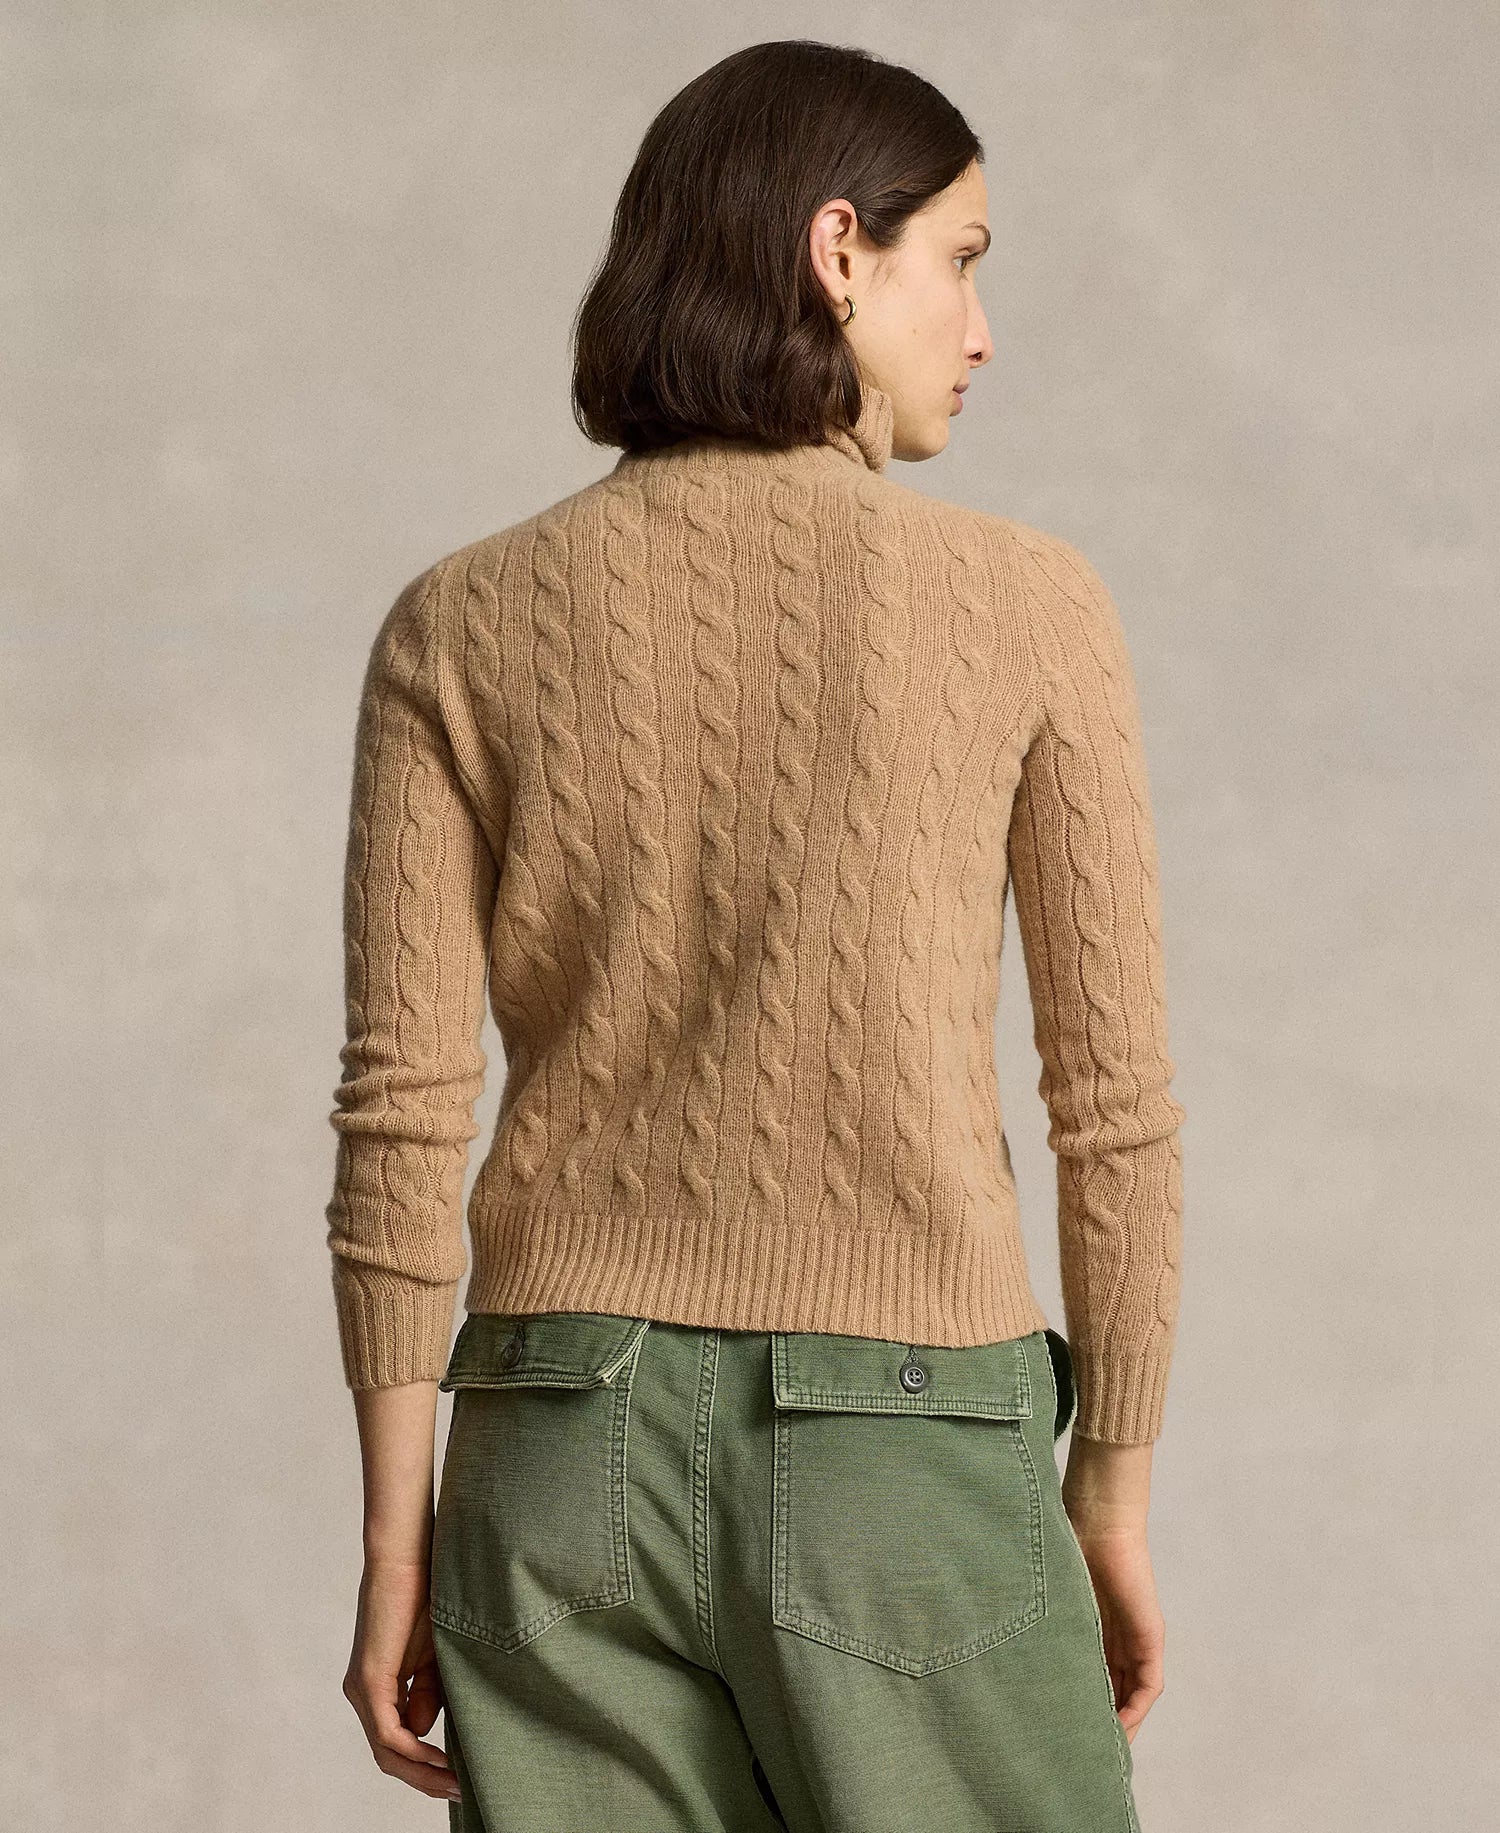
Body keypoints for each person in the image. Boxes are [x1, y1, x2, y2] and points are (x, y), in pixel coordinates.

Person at [325, 38, 1186, 1833]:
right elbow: (1111, 1108)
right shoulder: (1028, 604)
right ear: (837, 250)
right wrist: (1108, 1484)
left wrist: (398, 1538)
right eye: (963, 261)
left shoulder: (457, 623)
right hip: (905, 1454)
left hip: (554, 1440)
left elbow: (401, 1114)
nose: (981, 331)